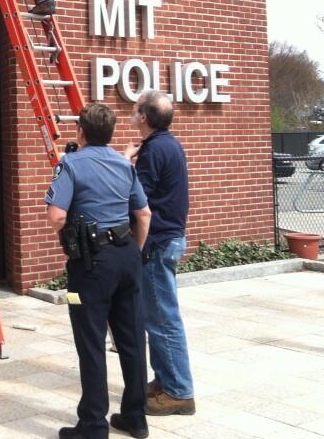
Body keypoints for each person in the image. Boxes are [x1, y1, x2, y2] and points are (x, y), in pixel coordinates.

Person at [46, 103, 152, 439]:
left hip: (90, 265)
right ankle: (135, 417)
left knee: (91, 340)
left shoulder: (70, 164)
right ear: (111, 132)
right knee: (132, 338)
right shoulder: (124, 164)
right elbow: (144, 214)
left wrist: (69, 237)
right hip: (127, 257)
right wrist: (133, 252)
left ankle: (93, 425)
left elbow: (57, 216)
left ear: (80, 131)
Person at [124, 90, 196, 416]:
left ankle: (179, 392)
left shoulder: (153, 150)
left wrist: (124, 161)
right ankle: (165, 381)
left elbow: (136, 197)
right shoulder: (169, 144)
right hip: (168, 239)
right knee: (157, 318)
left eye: (135, 109)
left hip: (157, 243)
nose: (131, 112)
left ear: (144, 117)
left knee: (163, 320)